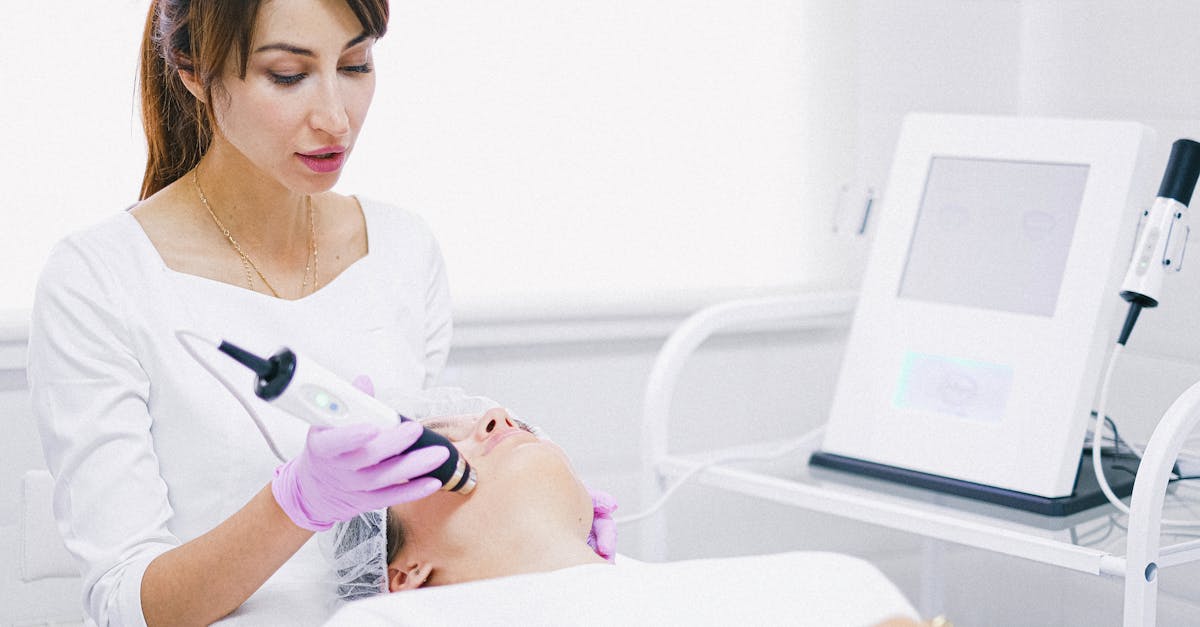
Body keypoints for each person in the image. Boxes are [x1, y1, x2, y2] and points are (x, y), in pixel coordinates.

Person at [24, 1, 614, 625]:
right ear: (193, 70)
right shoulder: (100, 279)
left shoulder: (402, 250)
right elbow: (123, 604)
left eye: (356, 65)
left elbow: (417, 528)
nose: (336, 118)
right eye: (288, 75)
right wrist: (295, 503)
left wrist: (544, 533)